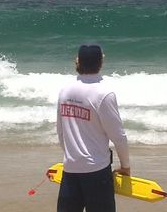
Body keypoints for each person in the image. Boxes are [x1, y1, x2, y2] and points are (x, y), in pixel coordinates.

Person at [56, 44, 130, 212]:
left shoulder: (65, 91)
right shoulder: (104, 94)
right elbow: (118, 136)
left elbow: (60, 131)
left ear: (78, 61)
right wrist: (125, 166)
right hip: (97, 172)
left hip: (70, 170)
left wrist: (72, 156)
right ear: (101, 62)